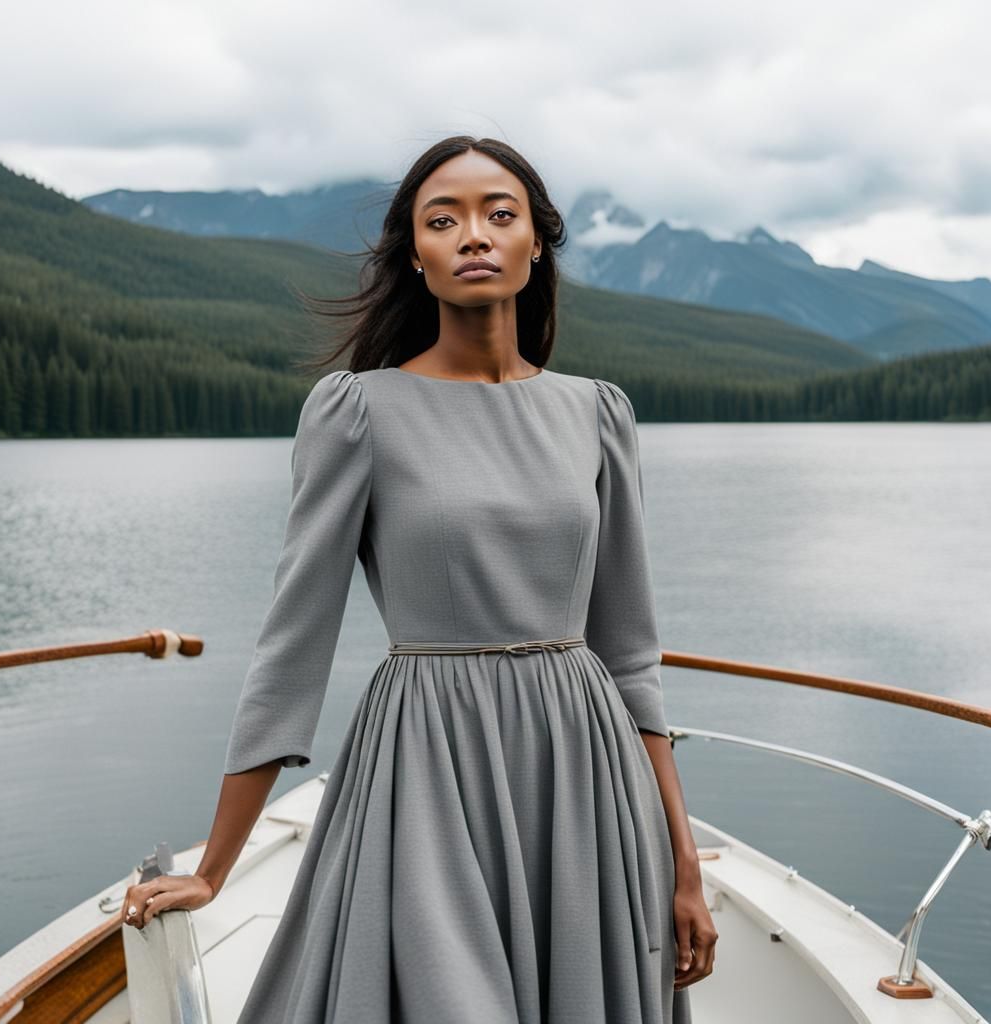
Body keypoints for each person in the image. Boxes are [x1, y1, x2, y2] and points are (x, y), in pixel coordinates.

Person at [122, 135, 717, 1022]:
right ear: (417, 255)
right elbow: (292, 648)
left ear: (536, 244)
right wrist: (216, 866)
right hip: (430, 765)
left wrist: (684, 863)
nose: (473, 234)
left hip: (584, 777)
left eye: (498, 214)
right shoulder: (358, 411)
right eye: (443, 220)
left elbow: (630, 654)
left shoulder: (597, 414)